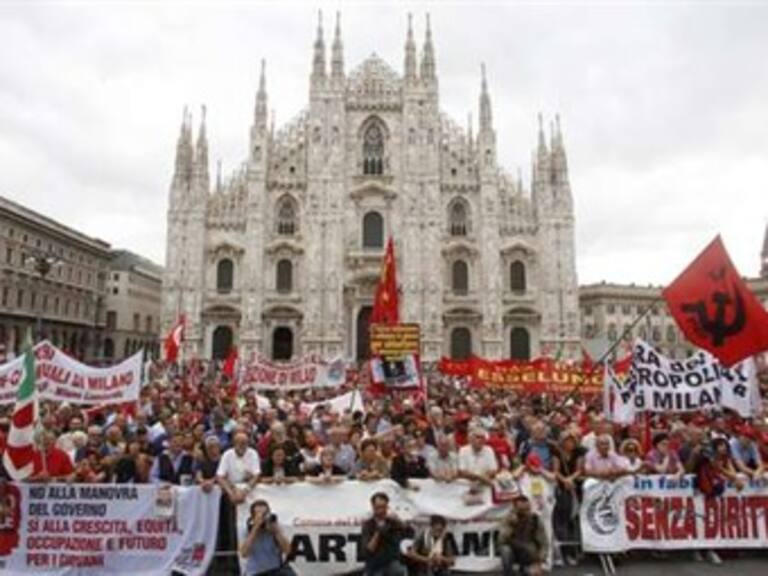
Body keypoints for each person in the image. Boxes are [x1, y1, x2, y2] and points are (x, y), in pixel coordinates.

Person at [239, 499, 295, 576]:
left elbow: (287, 550)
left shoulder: (275, 527)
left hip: (276, 569)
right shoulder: (247, 530)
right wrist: (255, 529)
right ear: (253, 517)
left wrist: (276, 532)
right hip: (256, 572)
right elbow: (244, 554)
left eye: (265, 514)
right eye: (259, 514)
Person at [498, 495, 549, 576]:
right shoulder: (507, 519)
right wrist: (511, 526)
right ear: (514, 508)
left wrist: (539, 562)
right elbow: (501, 540)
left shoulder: (535, 519)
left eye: (528, 509)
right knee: (505, 550)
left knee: (533, 572)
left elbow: (544, 543)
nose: (526, 512)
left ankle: (525, 570)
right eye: (522, 510)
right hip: (514, 551)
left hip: (529, 553)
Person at [361, 492, 409, 576]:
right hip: (374, 564)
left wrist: (398, 521)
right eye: (378, 507)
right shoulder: (368, 524)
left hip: (392, 562)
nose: (381, 510)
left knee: (399, 570)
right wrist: (378, 531)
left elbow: (409, 533)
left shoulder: (393, 522)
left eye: (384, 507)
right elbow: (369, 549)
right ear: (373, 507)